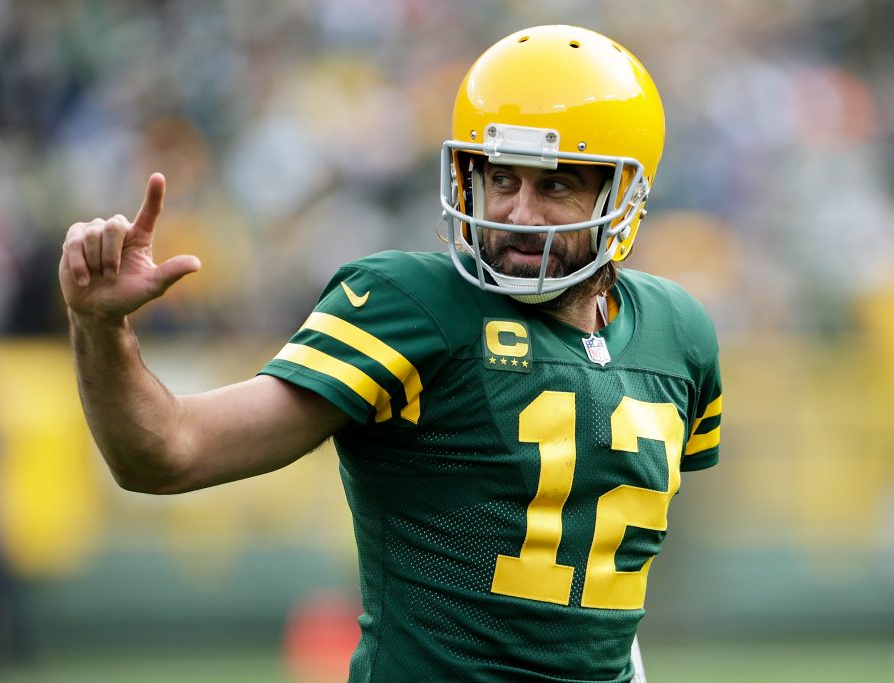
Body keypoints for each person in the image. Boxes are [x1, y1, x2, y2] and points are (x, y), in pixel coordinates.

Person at [59, 25, 722, 683]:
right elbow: (167, 451)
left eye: (555, 187)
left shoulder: (678, 332)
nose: (519, 213)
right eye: (501, 179)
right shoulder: (414, 304)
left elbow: (598, 573)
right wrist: (99, 326)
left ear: (624, 198)